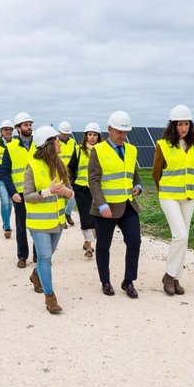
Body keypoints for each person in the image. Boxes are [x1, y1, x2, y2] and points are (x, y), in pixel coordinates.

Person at [88, 110, 143, 299]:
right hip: (106, 209)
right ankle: (105, 280)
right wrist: (101, 204)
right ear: (110, 129)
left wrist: (138, 185)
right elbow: (93, 181)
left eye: (125, 132)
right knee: (103, 246)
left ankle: (128, 281)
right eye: (119, 132)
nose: (122, 136)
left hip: (128, 205)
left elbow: (134, 174)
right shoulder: (98, 150)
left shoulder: (132, 150)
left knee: (135, 242)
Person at [152, 105, 194, 296]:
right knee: (179, 234)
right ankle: (169, 275)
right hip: (169, 196)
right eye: (180, 124)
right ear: (173, 126)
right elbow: (156, 172)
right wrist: (164, 189)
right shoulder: (163, 144)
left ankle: (175, 277)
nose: (183, 128)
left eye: (186, 124)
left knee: (185, 237)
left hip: (189, 196)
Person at [23, 125, 75, 314]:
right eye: (57, 140)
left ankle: (36, 276)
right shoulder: (33, 166)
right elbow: (27, 196)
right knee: (44, 257)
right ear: (48, 144)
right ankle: (50, 298)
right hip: (38, 223)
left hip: (57, 221)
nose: (60, 143)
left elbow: (70, 193)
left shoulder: (61, 165)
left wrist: (66, 192)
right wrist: (47, 192)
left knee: (48, 256)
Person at [2, 112, 37, 268]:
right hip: (20, 194)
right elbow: (5, 173)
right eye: (25, 125)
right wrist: (12, 192)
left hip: (38, 192)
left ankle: (38, 253)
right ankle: (22, 256)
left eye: (30, 124)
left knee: (38, 224)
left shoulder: (39, 144)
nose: (28, 127)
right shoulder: (10, 148)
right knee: (21, 226)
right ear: (18, 128)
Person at [67, 122, 102, 258]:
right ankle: (89, 244)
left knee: (97, 216)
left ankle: (90, 240)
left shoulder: (103, 150)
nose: (92, 137)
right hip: (81, 188)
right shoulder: (78, 149)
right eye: (90, 134)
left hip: (98, 188)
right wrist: (73, 182)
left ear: (98, 136)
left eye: (94, 135)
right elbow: (70, 167)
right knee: (85, 216)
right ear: (86, 136)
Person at [57, 121, 77, 227]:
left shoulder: (72, 142)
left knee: (73, 195)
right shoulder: (54, 142)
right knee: (59, 198)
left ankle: (67, 213)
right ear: (59, 132)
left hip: (70, 173)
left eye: (67, 134)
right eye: (63, 133)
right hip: (58, 173)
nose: (65, 136)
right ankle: (61, 220)